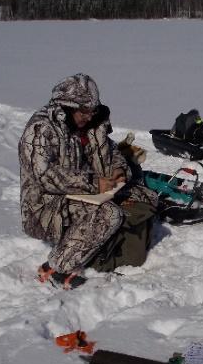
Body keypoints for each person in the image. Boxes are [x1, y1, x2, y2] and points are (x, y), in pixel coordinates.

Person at [18, 73, 158, 289]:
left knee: (144, 196)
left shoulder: (91, 127)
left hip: (80, 194)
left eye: (92, 110)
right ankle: (58, 265)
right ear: (66, 106)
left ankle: (93, 250)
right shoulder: (41, 129)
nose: (89, 116)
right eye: (84, 110)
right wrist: (94, 183)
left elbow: (112, 153)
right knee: (109, 214)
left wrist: (119, 171)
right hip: (44, 208)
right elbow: (44, 176)